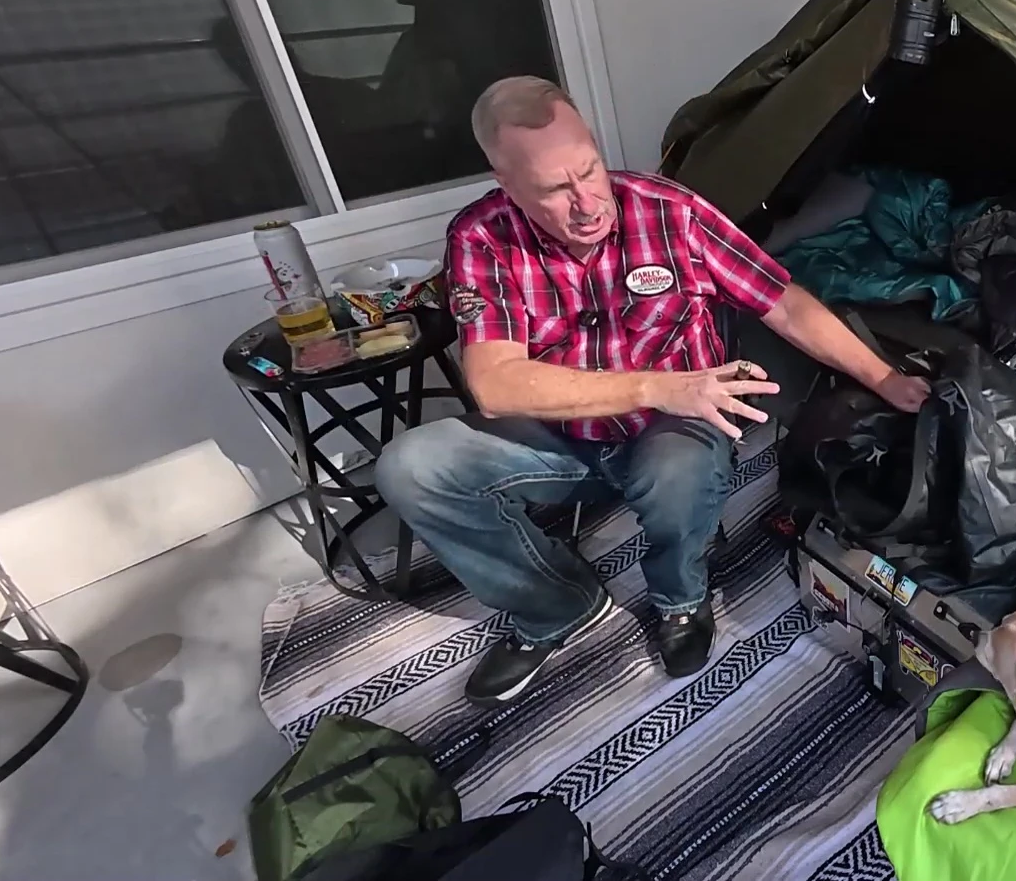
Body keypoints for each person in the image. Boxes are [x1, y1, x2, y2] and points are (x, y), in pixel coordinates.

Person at [374, 76, 928, 705]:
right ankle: (555, 605)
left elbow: (783, 302)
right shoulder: (482, 236)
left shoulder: (668, 210)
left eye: (589, 170)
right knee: (410, 466)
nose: (587, 203)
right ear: (507, 185)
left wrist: (883, 376)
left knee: (678, 468)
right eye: (555, 189)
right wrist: (653, 387)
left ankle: (679, 599)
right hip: (556, 437)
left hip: (673, 432)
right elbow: (495, 384)